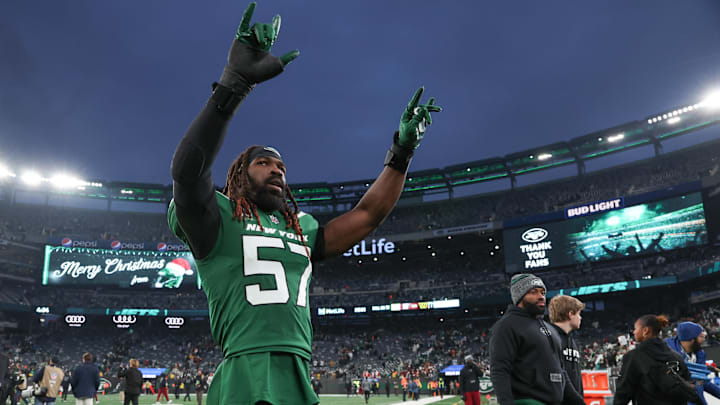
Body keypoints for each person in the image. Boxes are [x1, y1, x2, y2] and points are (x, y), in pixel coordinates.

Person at [167, 2, 441, 405]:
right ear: (239, 176)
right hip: (246, 371)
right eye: (263, 163)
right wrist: (233, 85)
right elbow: (188, 172)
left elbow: (367, 216)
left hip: (298, 372)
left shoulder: (302, 228)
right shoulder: (217, 219)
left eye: (281, 166)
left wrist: (400, 155)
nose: (277, 171)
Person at [489, 274, 585, 405]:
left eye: (543, 292)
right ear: (520, 296)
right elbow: (499, 370)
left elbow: (561, 373)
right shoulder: (506, 325)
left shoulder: (549, 328)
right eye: (533, 292)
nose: (541, 296)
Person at [614, 314, 697, 405]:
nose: (634, 332)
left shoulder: (633, 357)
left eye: (635, 329)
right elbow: (687, 385)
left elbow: (623, 392)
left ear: (645, 331)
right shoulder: (677, 357)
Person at [665, 321, 720, 405]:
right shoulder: (669, 355)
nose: (704, 339)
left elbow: (701, 380)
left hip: (695, 399)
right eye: (701, 336)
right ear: (691, 339)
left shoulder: (699, 354)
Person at [549, 295, 585, 397]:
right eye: (579, 314)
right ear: (570, 314)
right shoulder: (548, 338)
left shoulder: (572, 341)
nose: (580, 318)